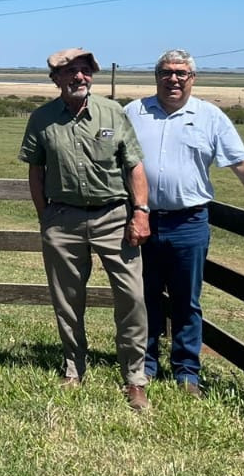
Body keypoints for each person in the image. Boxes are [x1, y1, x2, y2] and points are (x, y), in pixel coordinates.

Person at [125, 48, 244, 396]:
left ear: (192, 78)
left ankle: (187, 373)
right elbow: (116, 164)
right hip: (142, 220)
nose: (173, 79)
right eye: (166, 72)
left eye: (181, 73)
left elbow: (241, 163)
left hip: (189, 222)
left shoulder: (210, 117)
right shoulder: (133, 112)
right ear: (156, 76)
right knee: (143, 298)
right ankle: (143, 366)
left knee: (187, 301)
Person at [18, 47, 153, 411]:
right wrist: (45, 216)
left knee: (132, 297)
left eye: (85, 71)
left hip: (114, 216)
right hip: (63, 220)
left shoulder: (112, 111)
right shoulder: (42, 119)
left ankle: (134, 377)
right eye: (71, 72)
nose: (80, 77)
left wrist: (140, 212)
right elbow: (36, 170)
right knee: (67, 299)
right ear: (56, 79)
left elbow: (135, 166)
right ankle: (74, 369)